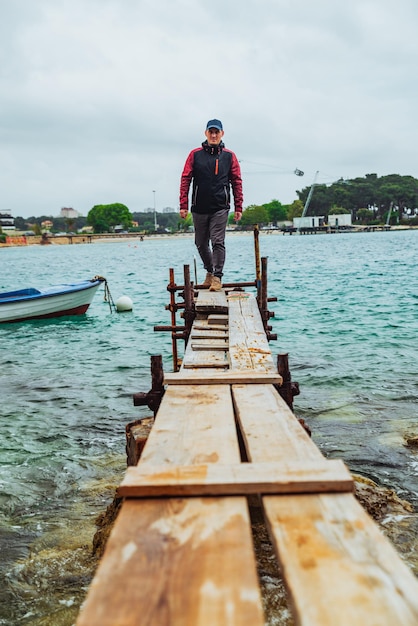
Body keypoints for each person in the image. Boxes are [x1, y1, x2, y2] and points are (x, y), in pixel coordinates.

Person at [179, 119, 243, 291]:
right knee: (200, 243)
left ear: (222, 133)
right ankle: (209, 271)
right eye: (211, 132)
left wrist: (239, 207)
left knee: (217, 241)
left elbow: (237, 181)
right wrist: (183, 205)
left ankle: (217, 277)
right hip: (199, 206)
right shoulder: (195, 154)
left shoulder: (229, 156)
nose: (214, 135)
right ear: (206, 133)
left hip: (220, 207)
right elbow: (185, 179)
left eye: (217, 132)